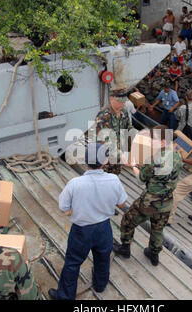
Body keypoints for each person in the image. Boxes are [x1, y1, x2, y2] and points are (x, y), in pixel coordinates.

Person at [48, 143, 127, 300]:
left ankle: (65, 296)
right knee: (103, 258)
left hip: (81, 230)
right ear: (105, 161)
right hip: (104, 228)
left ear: (85, 159)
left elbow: (63, 207)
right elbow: (122, 203)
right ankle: (100, 284)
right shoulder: (114, 180)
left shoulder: (75, 183)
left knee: (73, 263)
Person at [114, 125, 182, 266]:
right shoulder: (177, 156)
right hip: (167, 201)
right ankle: (154, 254)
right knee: (157, 229)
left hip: (149, 202)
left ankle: (125, 248)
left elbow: (140, 180)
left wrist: (133, 165)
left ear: (163, 142)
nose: (150, 141)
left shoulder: (154, 158)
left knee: (128, 221)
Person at [95, 96, 134, 175]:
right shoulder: (103, 116)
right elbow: (105, 141)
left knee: (115, 177)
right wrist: (121, 155)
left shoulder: (124, 112)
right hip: (105, 158)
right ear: (111, 99)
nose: (122, 104)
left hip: (118, 157)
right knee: (102, 181)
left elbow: (128, 127)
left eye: (124, 102)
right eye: (120, 102)